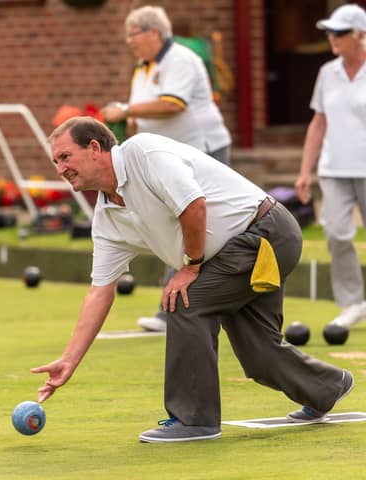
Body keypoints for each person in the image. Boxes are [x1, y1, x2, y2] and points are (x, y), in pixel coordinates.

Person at [31, 116, 354, 443]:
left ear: (95, 148)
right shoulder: (106, 219)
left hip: (266, 234)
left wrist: (190, 266)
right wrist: (68, 360)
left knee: (185, 301)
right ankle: (327, 387)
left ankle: (194, 419)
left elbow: (193, 205)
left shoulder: (143, 153)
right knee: (259, 354)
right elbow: (100, 291)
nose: (60, 169)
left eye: (65, 157)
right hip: (235, 252)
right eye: (56, 161)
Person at [102, 6, 232, 333]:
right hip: (169, 157)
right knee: (170, 224)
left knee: (206, 226)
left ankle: (203, 305)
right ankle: (172, 308)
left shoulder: (181, 60)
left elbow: (173, 104)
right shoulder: (142, 68)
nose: (129, 41)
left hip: (203, 150)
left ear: (153, 33)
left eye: (133, 34)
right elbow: (141, 116)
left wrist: (126, 108)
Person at [295, 3, 366, 329]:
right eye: (330, 32)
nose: (332, 37)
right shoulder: (327, 73)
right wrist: (305, 171)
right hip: (334, 169)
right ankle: (352, 303)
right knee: (337, 234)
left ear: (360, 35)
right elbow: (318, 123)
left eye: (339, 32)